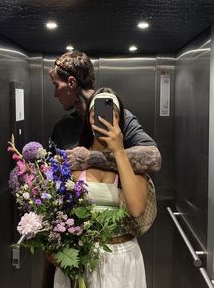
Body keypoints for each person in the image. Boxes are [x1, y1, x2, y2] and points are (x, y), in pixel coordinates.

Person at [43, 50, 161, 288]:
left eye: (57, 85)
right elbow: (52, 193)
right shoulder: (62, 127)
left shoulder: (122, 120)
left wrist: (93, 158)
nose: (55, 93)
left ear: (72, 82)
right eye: (93, 116)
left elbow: (154, 158)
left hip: (119, 254)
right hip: (72, 250)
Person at [53, 88, 148, 288]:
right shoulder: (76, 160)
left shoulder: (134, 161)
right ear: (89, 120)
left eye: (111, 117)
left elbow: (137, 208)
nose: (104, 122)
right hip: (81, 259)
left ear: (120, 122)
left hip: (123, 260)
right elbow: (58, 216)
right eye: (97, 116)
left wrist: (119, 150)